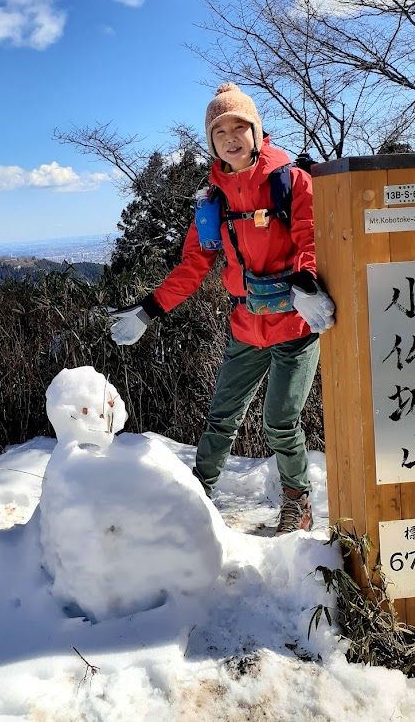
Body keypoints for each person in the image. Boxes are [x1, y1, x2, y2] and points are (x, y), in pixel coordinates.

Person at [108, 83, 335, 534]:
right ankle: (200, 493)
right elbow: (194, 264)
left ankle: (297, 500)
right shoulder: (214, 200)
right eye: (220, 131)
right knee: (221, 416)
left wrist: (308, 283)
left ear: (257, 131)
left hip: (295, 322)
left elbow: (313, 237)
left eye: (240, 127)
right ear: (211, 142)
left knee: (281, 420)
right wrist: (149, 310)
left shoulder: (292, 181)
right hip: (247, 325)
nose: (231, 137)